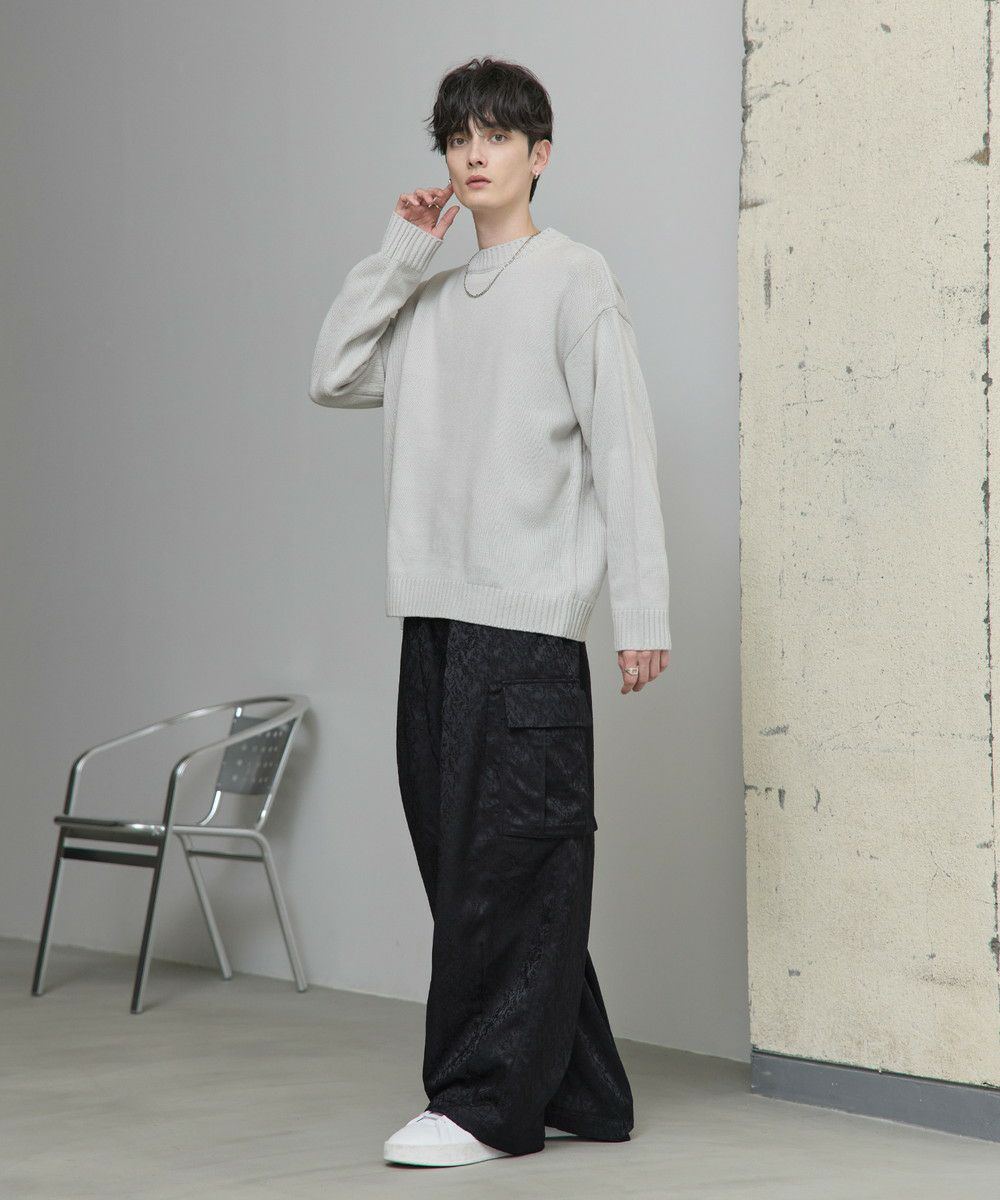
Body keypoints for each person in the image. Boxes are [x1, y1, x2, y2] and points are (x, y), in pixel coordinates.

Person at [309, 55, 671, 1168]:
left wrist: (639, 613)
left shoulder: (574, 278)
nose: (474, 154)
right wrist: (401, 251)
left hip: (523, 631)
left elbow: (623, 447)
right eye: (459, 137)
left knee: (509, 866)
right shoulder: (427, 303)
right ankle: (583, 1088)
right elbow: (333, 371)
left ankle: (481, 1104)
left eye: (498, 136)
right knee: (470, 867)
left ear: (538, 154)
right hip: (432, 620)